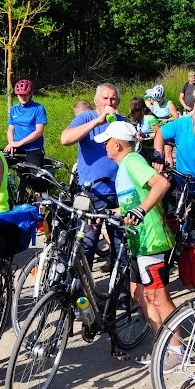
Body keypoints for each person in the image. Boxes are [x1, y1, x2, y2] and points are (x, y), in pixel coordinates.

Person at [96, 121, 181, 369]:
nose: (104, 145)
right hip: (138, 241)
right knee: (139, 294)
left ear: (118, 145)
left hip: (151, 240)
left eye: (107, 141)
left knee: (158, 296)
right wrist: (111, 213)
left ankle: (177, 350)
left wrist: (141, 211)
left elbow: (161, 184)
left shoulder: (132, 161)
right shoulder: (124, 167)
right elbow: (134, 200)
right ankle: (164, 344)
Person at [60, 83, 126, 265]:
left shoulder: (123, 122)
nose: (109, 102)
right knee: (86, 244)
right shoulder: (86, 118)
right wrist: (97, 121)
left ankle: (119, 291)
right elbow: (65, 139)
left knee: (121, 246)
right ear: (96, 100)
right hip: (92, 193)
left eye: (113, 98)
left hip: (119, 192)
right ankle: (82, 291)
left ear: (118, 101)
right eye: (105, 98)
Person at [5, 79, 47, 167]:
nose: (23, 97)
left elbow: (39, 132)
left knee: (34, 178)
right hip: (16, 148)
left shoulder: (38, 108)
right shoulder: (14, 109)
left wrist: (20, 143)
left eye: (25, 95)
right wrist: (12, 143)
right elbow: (10, 130)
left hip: (33, 149)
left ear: (31, 93)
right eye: (20, 95)